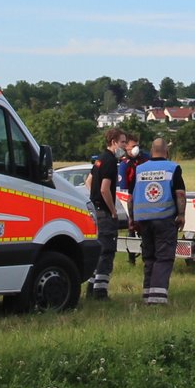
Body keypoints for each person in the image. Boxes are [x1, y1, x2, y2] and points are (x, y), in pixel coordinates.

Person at [129, 137, 187, 305]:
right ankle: (158, 298)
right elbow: (180, 194)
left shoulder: (139, 169)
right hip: (164, 219)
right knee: (163, 258)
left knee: (149, 258)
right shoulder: (173, 168)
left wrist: (132, 219)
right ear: (166, 152)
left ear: (151, 150)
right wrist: (182, 215)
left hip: (143, 221)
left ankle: (147, 294)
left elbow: (131, 198)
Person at [85, 128, 125, 300]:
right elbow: (104, 189)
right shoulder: (110, 162)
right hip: (105, 214)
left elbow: (89, 182)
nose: (124, 146)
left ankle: (90, 288)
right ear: (114, 142)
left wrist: (95, 198)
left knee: (98, 251)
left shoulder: (99, 159)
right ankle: (100, 292)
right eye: (123, 142)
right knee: (107, 251)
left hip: (95, 211)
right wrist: (113, 210)